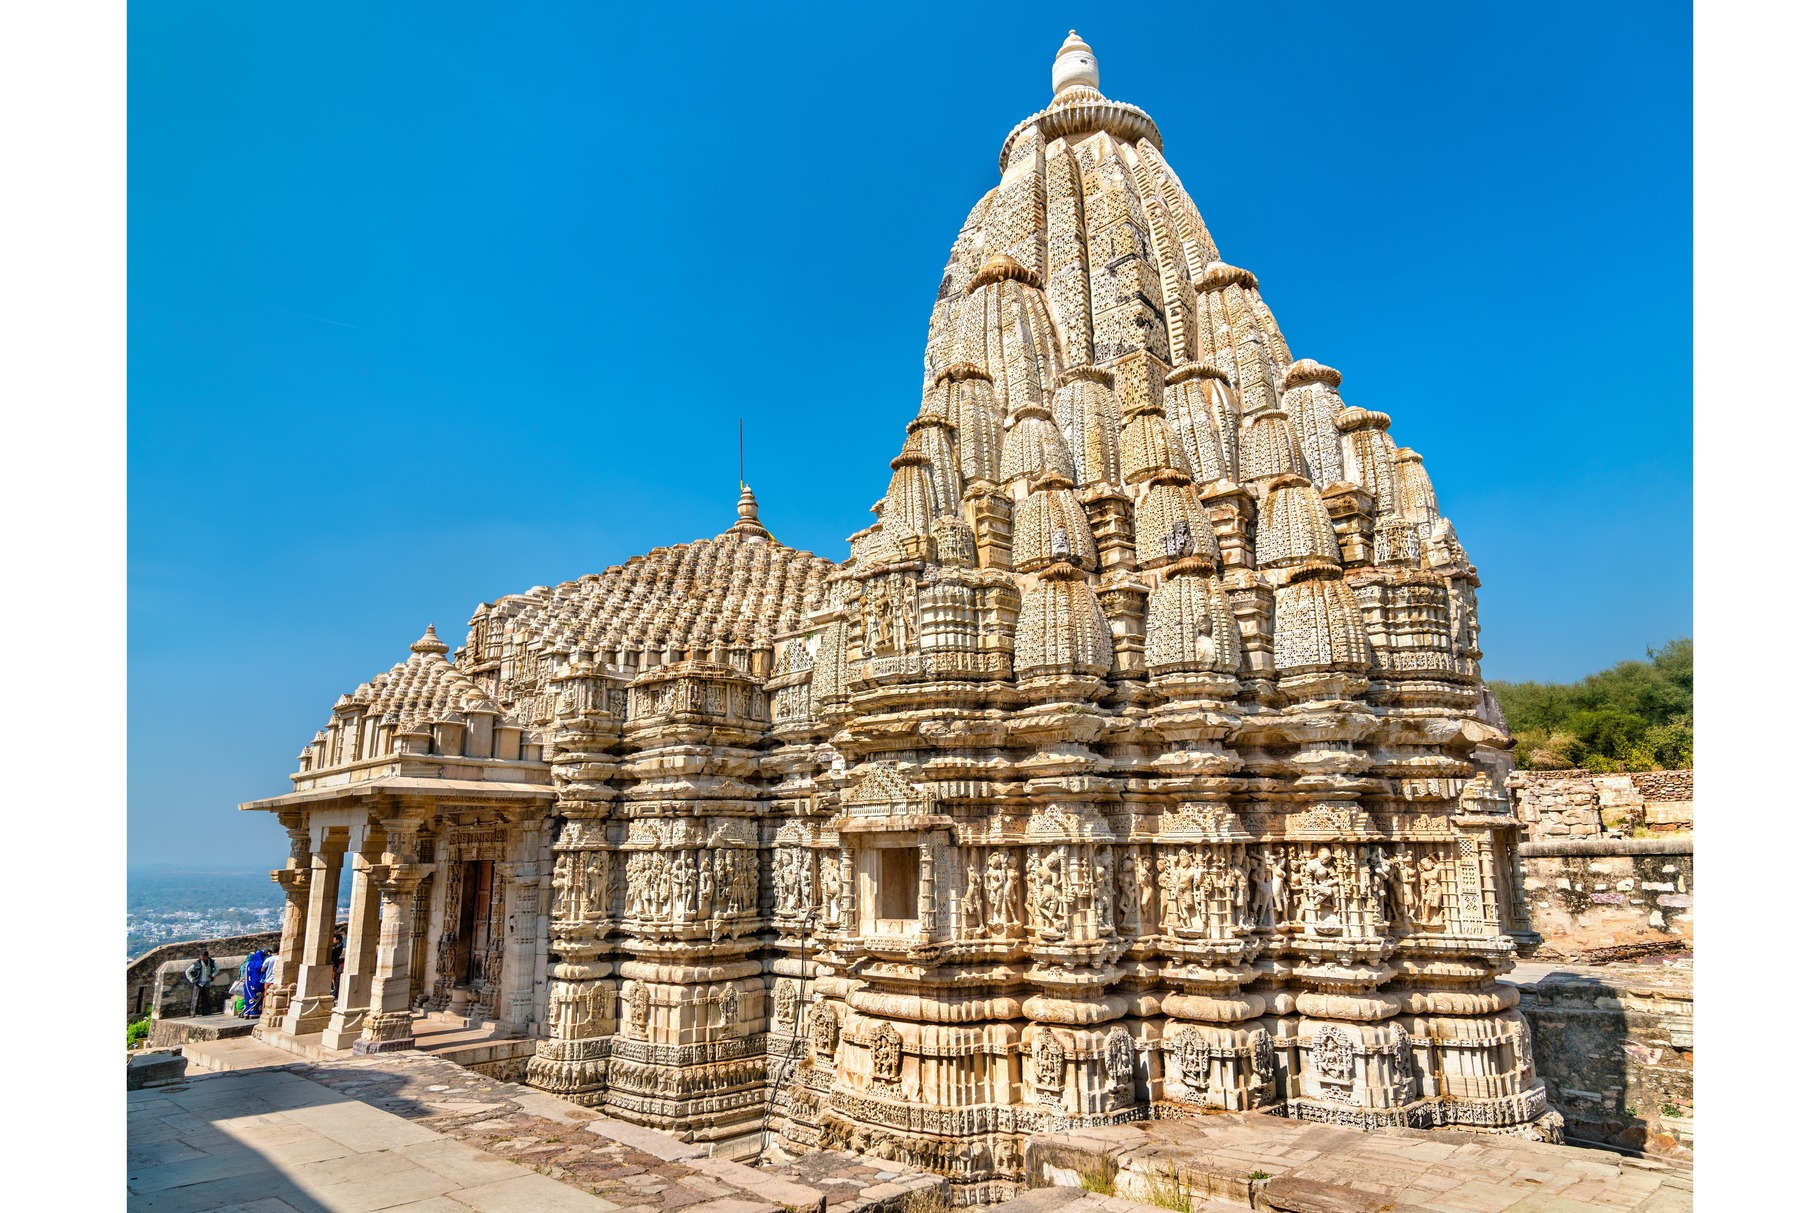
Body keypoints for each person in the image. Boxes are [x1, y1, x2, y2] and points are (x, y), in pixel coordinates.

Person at [185, 948, 219, 1017]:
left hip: (207, 982)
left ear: (207, 956)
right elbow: (188, 971)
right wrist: (192, 979)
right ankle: (193, 1013)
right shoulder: (197, 963)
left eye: (203, 957)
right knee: (195, 998)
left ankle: (206, 1012)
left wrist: (212, 975)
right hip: (199, 982)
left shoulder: (211, 962)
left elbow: (217, 968)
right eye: (201, 957)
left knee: (206, 998)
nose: (202, 958)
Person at [242, 947, 268, 1019]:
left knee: (248, 999)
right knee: (257, 999)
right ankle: (254, 1013)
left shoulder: (248, 964)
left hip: (248, 985)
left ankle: (247, 1013)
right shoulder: (261, 964)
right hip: (257, 984)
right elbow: (262, 974)